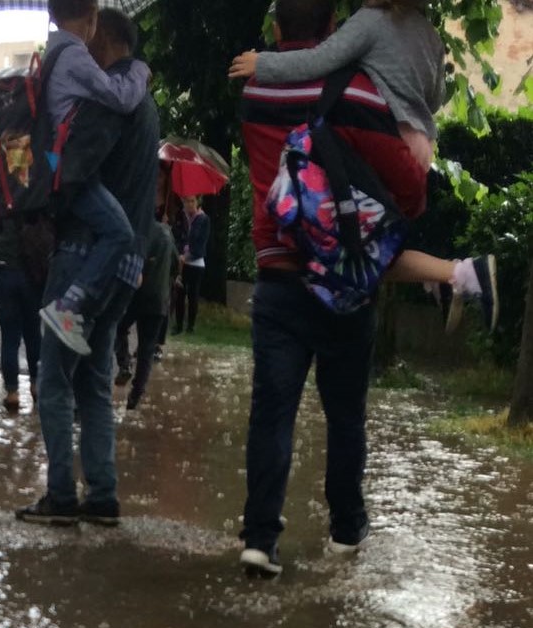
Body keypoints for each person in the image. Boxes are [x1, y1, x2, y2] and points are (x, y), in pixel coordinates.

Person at [234, 0, 431, 576]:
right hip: (347, 281)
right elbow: (410, 188)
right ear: (333, 31)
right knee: (346, 414)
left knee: (271, 412)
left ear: (275, 28)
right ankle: (346, 532)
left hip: (278, 275)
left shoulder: (253, 92)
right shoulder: (364, 95)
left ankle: (259, 538)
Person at [228, 0, 497, 332]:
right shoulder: (430, 35)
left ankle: (462, 273)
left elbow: (319, 60)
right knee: (367, 242)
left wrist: (263, 63)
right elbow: (436, 97)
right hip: (420, 144)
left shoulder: (369, 23)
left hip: (389, 134)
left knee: (351, 246)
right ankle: (439, 278)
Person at [16, 7, 159, 526]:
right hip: (123, 266)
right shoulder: (148, 108)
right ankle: (102, 497)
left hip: (82, 256)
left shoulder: (110, 100)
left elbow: (73, 167)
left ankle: (59, 496)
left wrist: (44, 198)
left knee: (53, 378)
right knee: (95, 381)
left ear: (104, 41)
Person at [38, 0, 152, 356]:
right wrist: (140, 72)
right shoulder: (73, 55)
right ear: (92, 19)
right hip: (68, 169)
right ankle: (68, 307)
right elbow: (119, 96)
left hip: (56, 164)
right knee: (120, 230)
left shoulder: (52, 55)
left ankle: (69, 307)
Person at [114, 171, 179, 409]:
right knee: (146, 349)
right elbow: (175, 266)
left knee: (118, 328)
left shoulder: (143, 232)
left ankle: (123, 365)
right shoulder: (167, 233)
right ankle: (135, 398)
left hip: (137, 296)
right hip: (159, 300)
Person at [0, 222, 43, 411]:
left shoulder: (4, 198)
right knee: (34, 334)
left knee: (10, 337)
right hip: (31, 270)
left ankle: (12, 393)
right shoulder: (38, 197)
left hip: (2, 268)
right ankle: (36, 387)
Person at [171, 194, 210, 335]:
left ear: (197, 202)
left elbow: (199, 242)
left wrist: (187, 255)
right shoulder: (182, 218)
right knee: (179, 294)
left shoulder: (202, 219)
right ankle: (178, 325)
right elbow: (177, 237)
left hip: (196, 263)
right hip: (182, 261)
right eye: (187, 201)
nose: (189, 204)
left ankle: (190, 327)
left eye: (192, 201)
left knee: (193, 295)